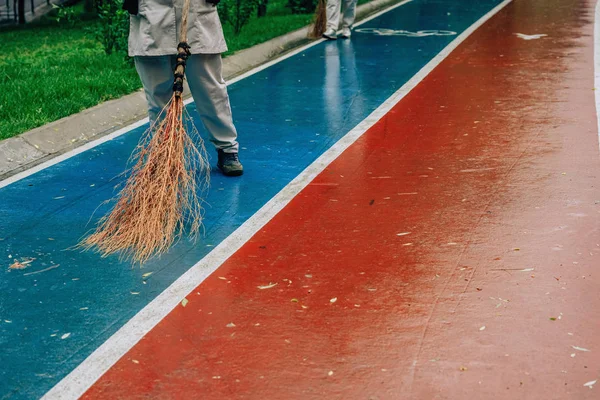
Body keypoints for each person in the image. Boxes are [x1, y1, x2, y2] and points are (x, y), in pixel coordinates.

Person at [123, 0, 244, 176]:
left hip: (196, 12)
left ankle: (227, 149)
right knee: (158, 95)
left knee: (210, 90)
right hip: (151, 12)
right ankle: (164, 154)